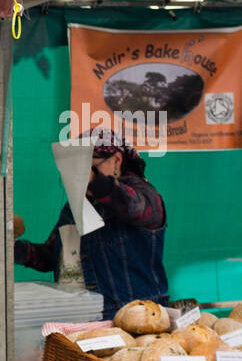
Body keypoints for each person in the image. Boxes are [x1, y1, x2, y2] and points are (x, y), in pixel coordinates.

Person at [13, 128, 168, 318]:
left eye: (89, 163)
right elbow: (51, 257)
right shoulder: (73, 207)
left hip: (140, 318)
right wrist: (13, 249)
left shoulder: (143, 193)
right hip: (84, 318)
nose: (79, 173)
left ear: (117, 161)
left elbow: (132, 206)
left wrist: (96, 181)